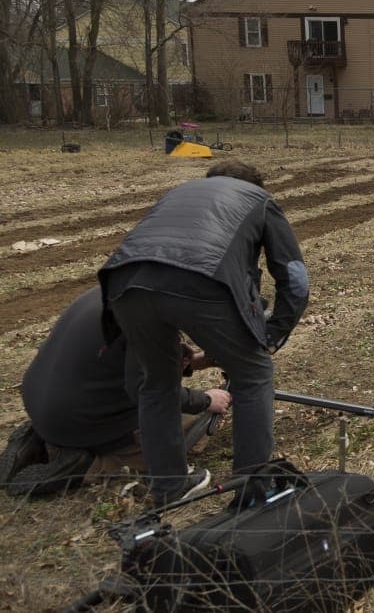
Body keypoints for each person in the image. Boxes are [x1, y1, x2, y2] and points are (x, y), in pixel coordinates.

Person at [99, 160, 308, 506]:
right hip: (201, 277)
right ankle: (252, 490)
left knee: (157, 383)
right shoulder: (259, 199)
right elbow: (295, 279)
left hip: (123, 281)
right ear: (256, 185)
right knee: (253, 374)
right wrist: (273, 334)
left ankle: (169, 487)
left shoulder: (180, 192)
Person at [0, 287, 230, 496]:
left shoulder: (113, 291)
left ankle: (44, 443)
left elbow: (126, 360)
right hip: (76, 419)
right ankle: (86, 466)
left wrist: (195, 362)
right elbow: (152, 390)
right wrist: (206, 400)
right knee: (189, 425)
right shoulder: (151, 316)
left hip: (44, 402)